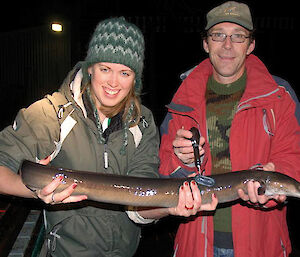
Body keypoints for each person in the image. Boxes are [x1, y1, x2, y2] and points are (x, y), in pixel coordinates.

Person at [0, 17, 217, 257]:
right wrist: (37, 191)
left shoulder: (142, 123)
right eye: (105, 69)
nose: (113, 82)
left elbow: (139, 207)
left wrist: (171, 207)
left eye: (124, 72)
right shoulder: (50, 114)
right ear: (90, 67)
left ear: (135, 78)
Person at [159, 1, 300, 257]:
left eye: (238, 36)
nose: (227, 45)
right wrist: (183, 161)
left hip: (261, 243)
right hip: (196, 243)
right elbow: (165, 176)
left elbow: (293, 158)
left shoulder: (280, 97)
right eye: (218, 35)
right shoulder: (183, 100)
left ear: (251, 44)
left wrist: (273, 180)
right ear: (206, 43)